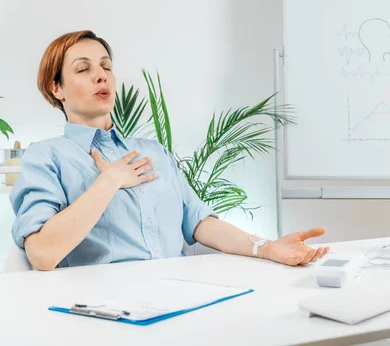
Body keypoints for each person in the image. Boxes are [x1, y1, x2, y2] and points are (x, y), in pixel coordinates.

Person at [10, 30, 330, 271]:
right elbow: (43, 254)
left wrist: (267, 248)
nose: (100, 74)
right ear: (57, 88)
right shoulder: (46, 156)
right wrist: (109, 182)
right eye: (83, 69)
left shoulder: (153, 152)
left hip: (177, 294)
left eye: (106, 66)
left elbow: (200, 222)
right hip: (102, 311)